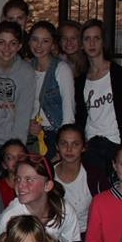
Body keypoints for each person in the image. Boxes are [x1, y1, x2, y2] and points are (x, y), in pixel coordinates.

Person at [74, 19, 122, 173]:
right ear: (82, 44)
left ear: (103, 42)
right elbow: (80, 116)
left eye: (96, 38)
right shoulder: (80, 81)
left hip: (117, 143)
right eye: (87, 39)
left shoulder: (120, 74)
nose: (92, 43)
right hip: (91, 145)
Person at [0, 21, 36, 171]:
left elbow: (23, 115)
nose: (7, 49)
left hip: (11, 143)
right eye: (2, 42)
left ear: (19, 46)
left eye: (12, 43)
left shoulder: (26, 73)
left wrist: (16, 152)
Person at [53, 124, 110, 236]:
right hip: (53, 237)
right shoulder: (47, 175)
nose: (69, 149)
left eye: (75, 144)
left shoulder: (95, 177)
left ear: (84, 147)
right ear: (57, 146)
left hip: (86, 236)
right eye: (64, 143)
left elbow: (108, 211)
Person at [27, 21, 75, 153]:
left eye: (45, 41)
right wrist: (27, 124)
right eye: (35, 39)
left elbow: (69, 110)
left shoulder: (62, 69)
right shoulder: (26, 68)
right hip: (30, 135)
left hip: (54, 134)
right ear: (29, 41)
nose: (39, 45)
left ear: (53, 44)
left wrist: (64, 143)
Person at [0, 138, 27, 207]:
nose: (17, 160)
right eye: (10, 158)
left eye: (20, 156)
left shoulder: (33, 184)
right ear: (4, 164)